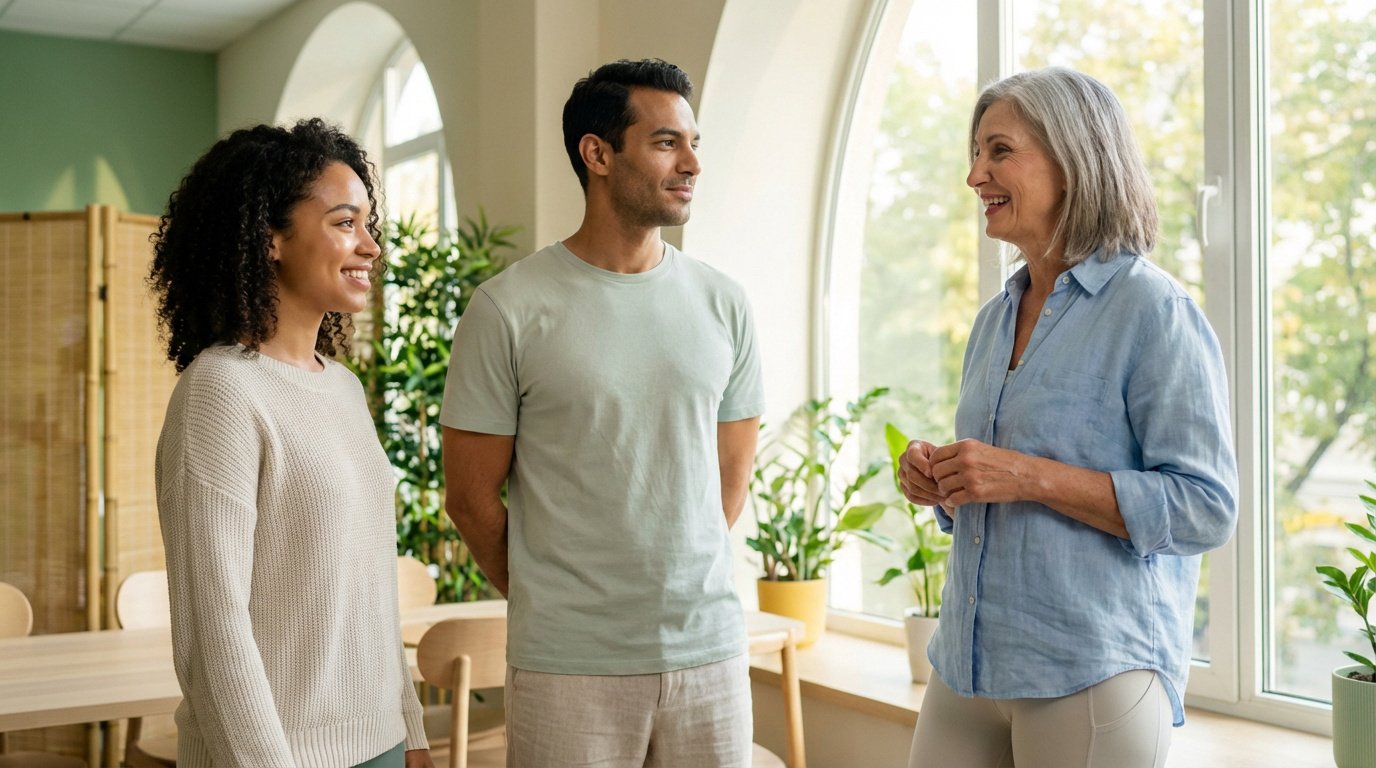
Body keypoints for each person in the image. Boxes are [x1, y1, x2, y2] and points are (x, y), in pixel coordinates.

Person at [898, 67, 1238, 768]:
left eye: (998, 151)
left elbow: (1206, 509)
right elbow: (996, 493)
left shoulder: (1154, 313)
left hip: (1089, 675)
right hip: (967, 665)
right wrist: (943, 482)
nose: (974, 176)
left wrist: (1027, 475)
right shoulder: (995, 318)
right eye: (975, 153)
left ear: (1073, 161)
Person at [440, 59, 765, 768]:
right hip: (567, 665)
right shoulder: (507, 309)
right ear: (598, 154)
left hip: (709, 656)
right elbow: (468, 498)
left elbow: (729, 477)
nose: (691, 164)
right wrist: (558, 601)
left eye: (695, 143)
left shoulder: (724, 303)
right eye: (666, 142)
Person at [150, 118, 432, 768]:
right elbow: (215, 630)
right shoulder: (220, 393)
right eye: (343, 222)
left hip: (382, 745)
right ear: (270, 237)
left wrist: (411, 731)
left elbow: (369, 589)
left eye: (369, 223)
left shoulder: (344, 390)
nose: (370, 247)